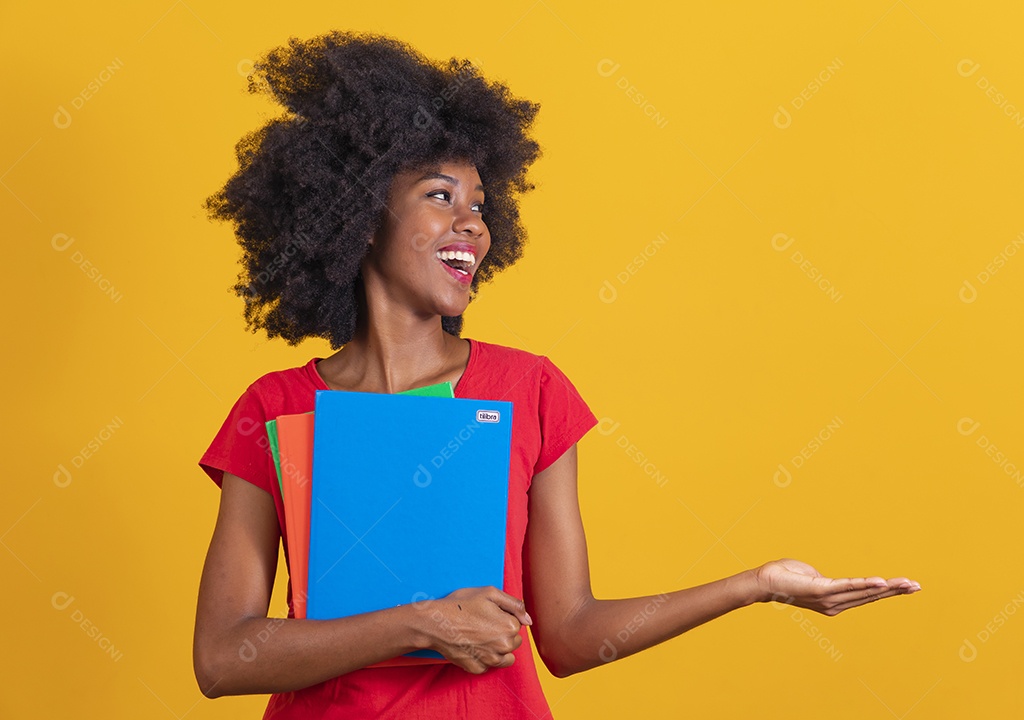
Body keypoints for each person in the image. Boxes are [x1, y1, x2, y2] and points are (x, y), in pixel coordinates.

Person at [192, 31, 921, 719]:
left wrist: (752, 586)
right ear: (359, 215)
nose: (472, 224)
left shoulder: (530, 391)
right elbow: (223, 659)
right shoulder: (277, 407)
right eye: (440, 196)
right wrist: (419, 622)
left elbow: (569, 635)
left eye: (480, 207)